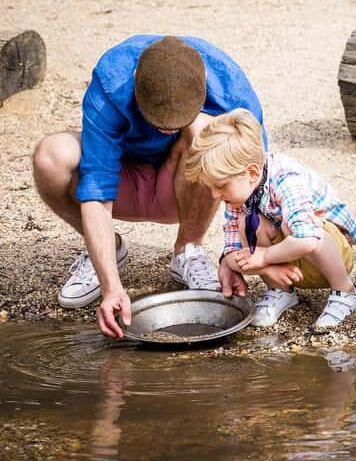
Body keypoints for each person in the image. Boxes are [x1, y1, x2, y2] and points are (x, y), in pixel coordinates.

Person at [32, 35, 267, 338]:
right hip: (125, 180)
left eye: (174, 123)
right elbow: (97, 189)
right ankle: (104, 249)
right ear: (134, 82)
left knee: (204, 132)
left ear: (204, 83)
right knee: (51, 155)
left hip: (186, 182)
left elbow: (254, 184)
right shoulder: (112, 80)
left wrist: (243, 256)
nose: (167, 129)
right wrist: (111, 287)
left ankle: (189, 250)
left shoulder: (230, 87)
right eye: (158, 122)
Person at [184, 109, 356, 328]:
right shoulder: (237, 197)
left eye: (220, 186)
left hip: (332, 256)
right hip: (289, 268)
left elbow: (307, 239)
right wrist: (267, 268)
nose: (214, 195)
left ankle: (345, 291)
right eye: (210, 187)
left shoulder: (286, 178)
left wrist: (266, 256)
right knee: (247, 221)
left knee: (295, 226)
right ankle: (280, 291)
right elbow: (232, 254)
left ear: (251, 173)